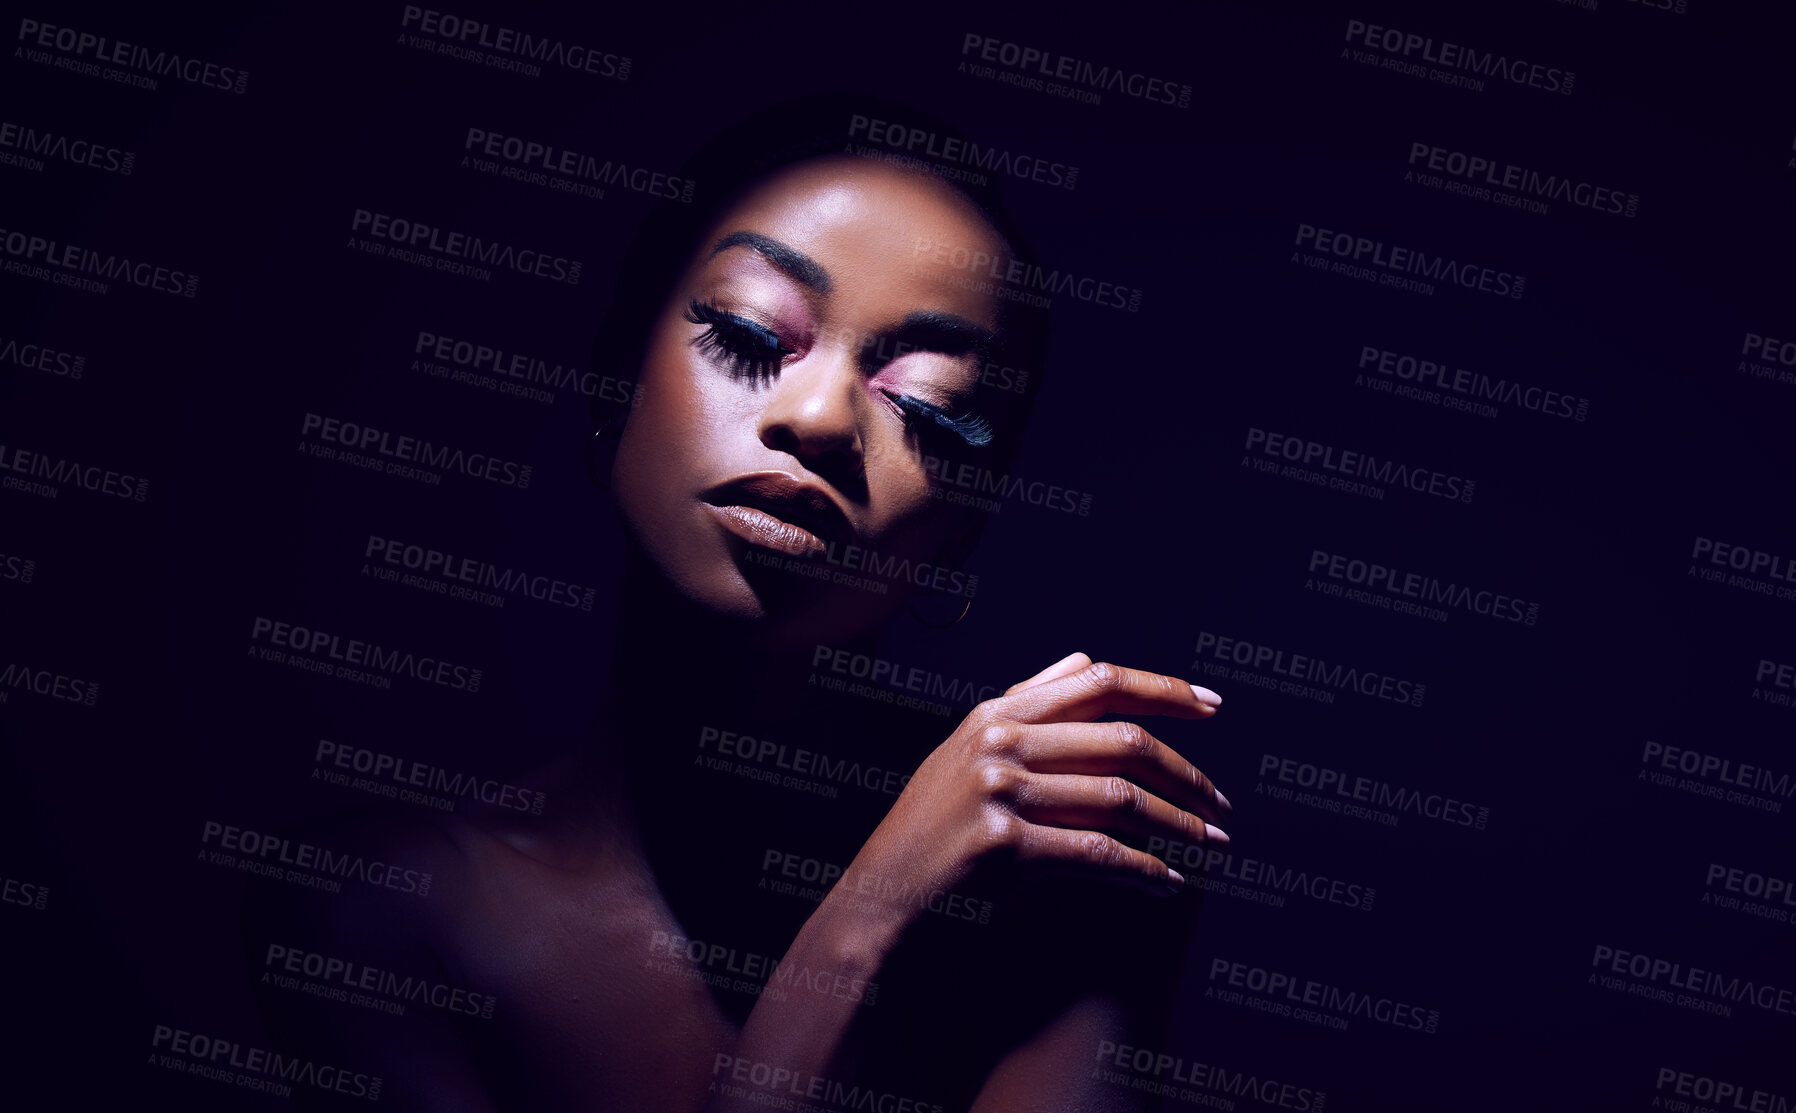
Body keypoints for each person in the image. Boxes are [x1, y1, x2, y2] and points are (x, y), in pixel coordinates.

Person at [243, 93, 1230, 1113]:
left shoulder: (1061, 869)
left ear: (964, 529)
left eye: (932, 409)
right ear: (611, 381)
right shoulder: (380, 909)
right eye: (751, 336)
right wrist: (866, 919)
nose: (817, 419)